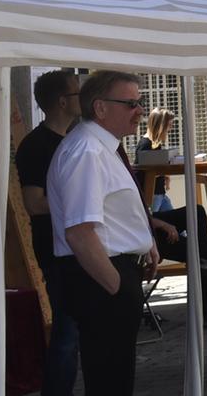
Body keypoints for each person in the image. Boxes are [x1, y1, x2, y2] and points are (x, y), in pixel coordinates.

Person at [46, 70, 159, 396]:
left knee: (114, 376)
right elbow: (80, 232)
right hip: (100, 277)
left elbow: (111, 213)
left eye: (140, 102)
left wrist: (144, 243)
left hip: (108, 272)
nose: (139, 111)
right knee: (109, 379)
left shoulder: (99, 147)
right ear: (100, 107)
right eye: (130, 103)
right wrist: (116, 286)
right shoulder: (87, 151)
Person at [134, 108, 207, 327]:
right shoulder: (142, 146)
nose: (137, 113)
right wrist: (159, 222)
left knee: (197, 213)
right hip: (143, 226)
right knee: (197, 254)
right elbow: (137, 208)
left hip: (147, 218)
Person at [16, 69, 80, 396]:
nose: (83, 99)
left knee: (78, 333)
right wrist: (83, 204)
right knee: (67, 334)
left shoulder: (76, 137)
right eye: (77, 93)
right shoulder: (35, 145)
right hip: (57, 250)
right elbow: (34, 203)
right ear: (61, 101)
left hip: (81, 246)